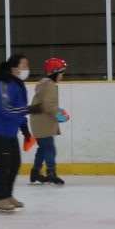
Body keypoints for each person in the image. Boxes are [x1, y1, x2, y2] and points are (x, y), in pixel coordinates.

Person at [0, 54, 33, 213]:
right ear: (14, 68)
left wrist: (24, 128)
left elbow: (18, 109)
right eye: (23, 66)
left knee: (14, 163)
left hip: (9, 131)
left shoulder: (17, 85)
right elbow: (6, 109)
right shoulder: (4, 84)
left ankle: (7, 195)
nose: (27, 69)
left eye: (27, 66)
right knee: (3, 163)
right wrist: (30, 109)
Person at [29, 58, 71, 186]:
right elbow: (49, 105)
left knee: (43, 148)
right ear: (55, 72)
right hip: (43, 122)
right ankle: (51, 172)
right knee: (49, 148)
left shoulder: (43, 83)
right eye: (61, 73)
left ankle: (35, 172)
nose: (62, 76)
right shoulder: (50, 85)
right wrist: (60, 115)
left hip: (38, 121)